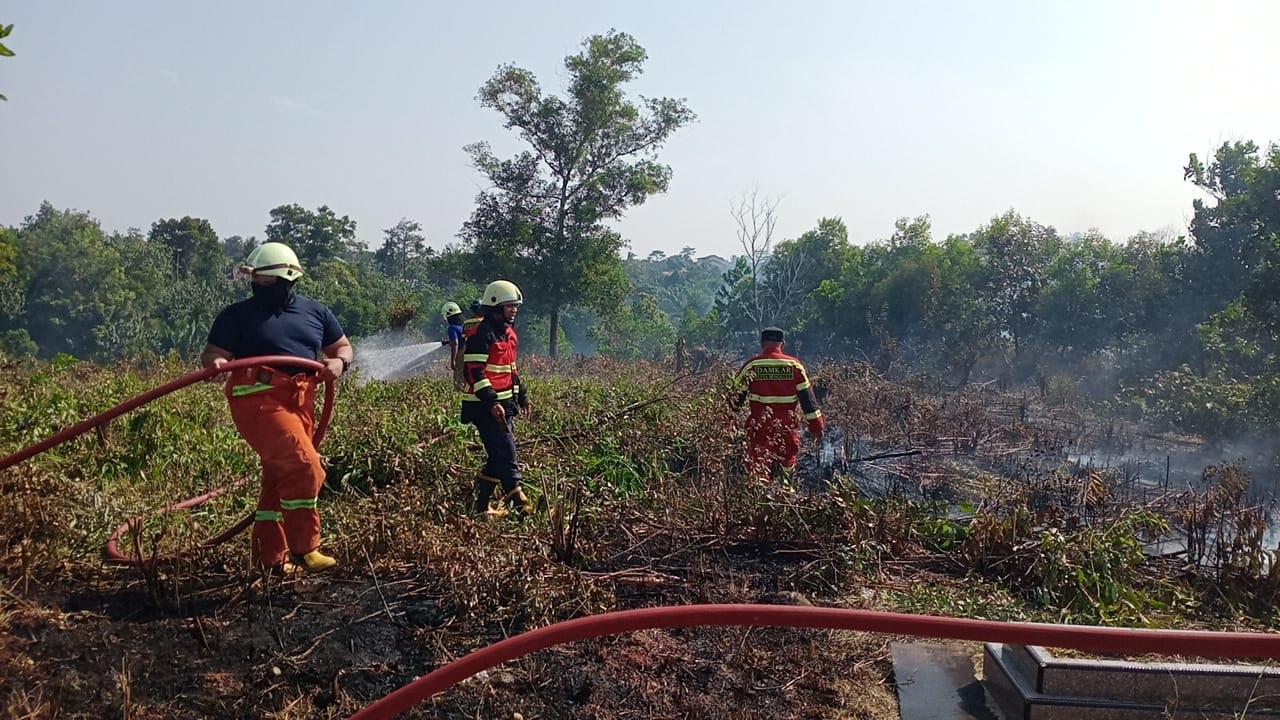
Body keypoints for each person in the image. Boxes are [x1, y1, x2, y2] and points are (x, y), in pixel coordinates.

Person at [200, 242, 353, 573]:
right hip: (257, 398)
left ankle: (269, 561)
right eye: (256, 282)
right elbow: (213, 354)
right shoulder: (236, 316)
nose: (259, 288)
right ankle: (305, 547)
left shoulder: (316, 312)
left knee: (278, 478)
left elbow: (342, 346)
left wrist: (340, 363)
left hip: (301, 399)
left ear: (288, 280)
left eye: (267, 283)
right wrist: (218, 364)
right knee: (303, 466)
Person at [460, 280, 531, 515]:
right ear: (495, 306)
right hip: (484, 407)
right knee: (507, 452)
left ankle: (481, 507)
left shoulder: (508, 334)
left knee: (496, 456)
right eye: (509, 306)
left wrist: (522, 396)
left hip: (505, 406)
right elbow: (474, 372)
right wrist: (491, 402)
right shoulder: (483, 334)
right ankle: (518, 501)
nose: (514, 310)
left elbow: (511, 369)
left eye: (515, 306)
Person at [732, 327, 824, 484]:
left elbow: (734, 401)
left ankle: (759, 502)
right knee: (787, 465)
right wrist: (817, 427)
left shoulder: (751, 365)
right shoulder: (794, 366)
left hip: (758, 429)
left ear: (762, 343)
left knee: (758, 469)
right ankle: (786, 497)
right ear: (783, 344)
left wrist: (726, 424)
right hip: (786, 428)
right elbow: (808, 402)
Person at [440, 301, 466, 373]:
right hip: (469, 353)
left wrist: (453, 361)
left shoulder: (452, 328)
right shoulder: (464, 325)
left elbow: (455, 343)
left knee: (458, 380)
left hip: (461, 354)